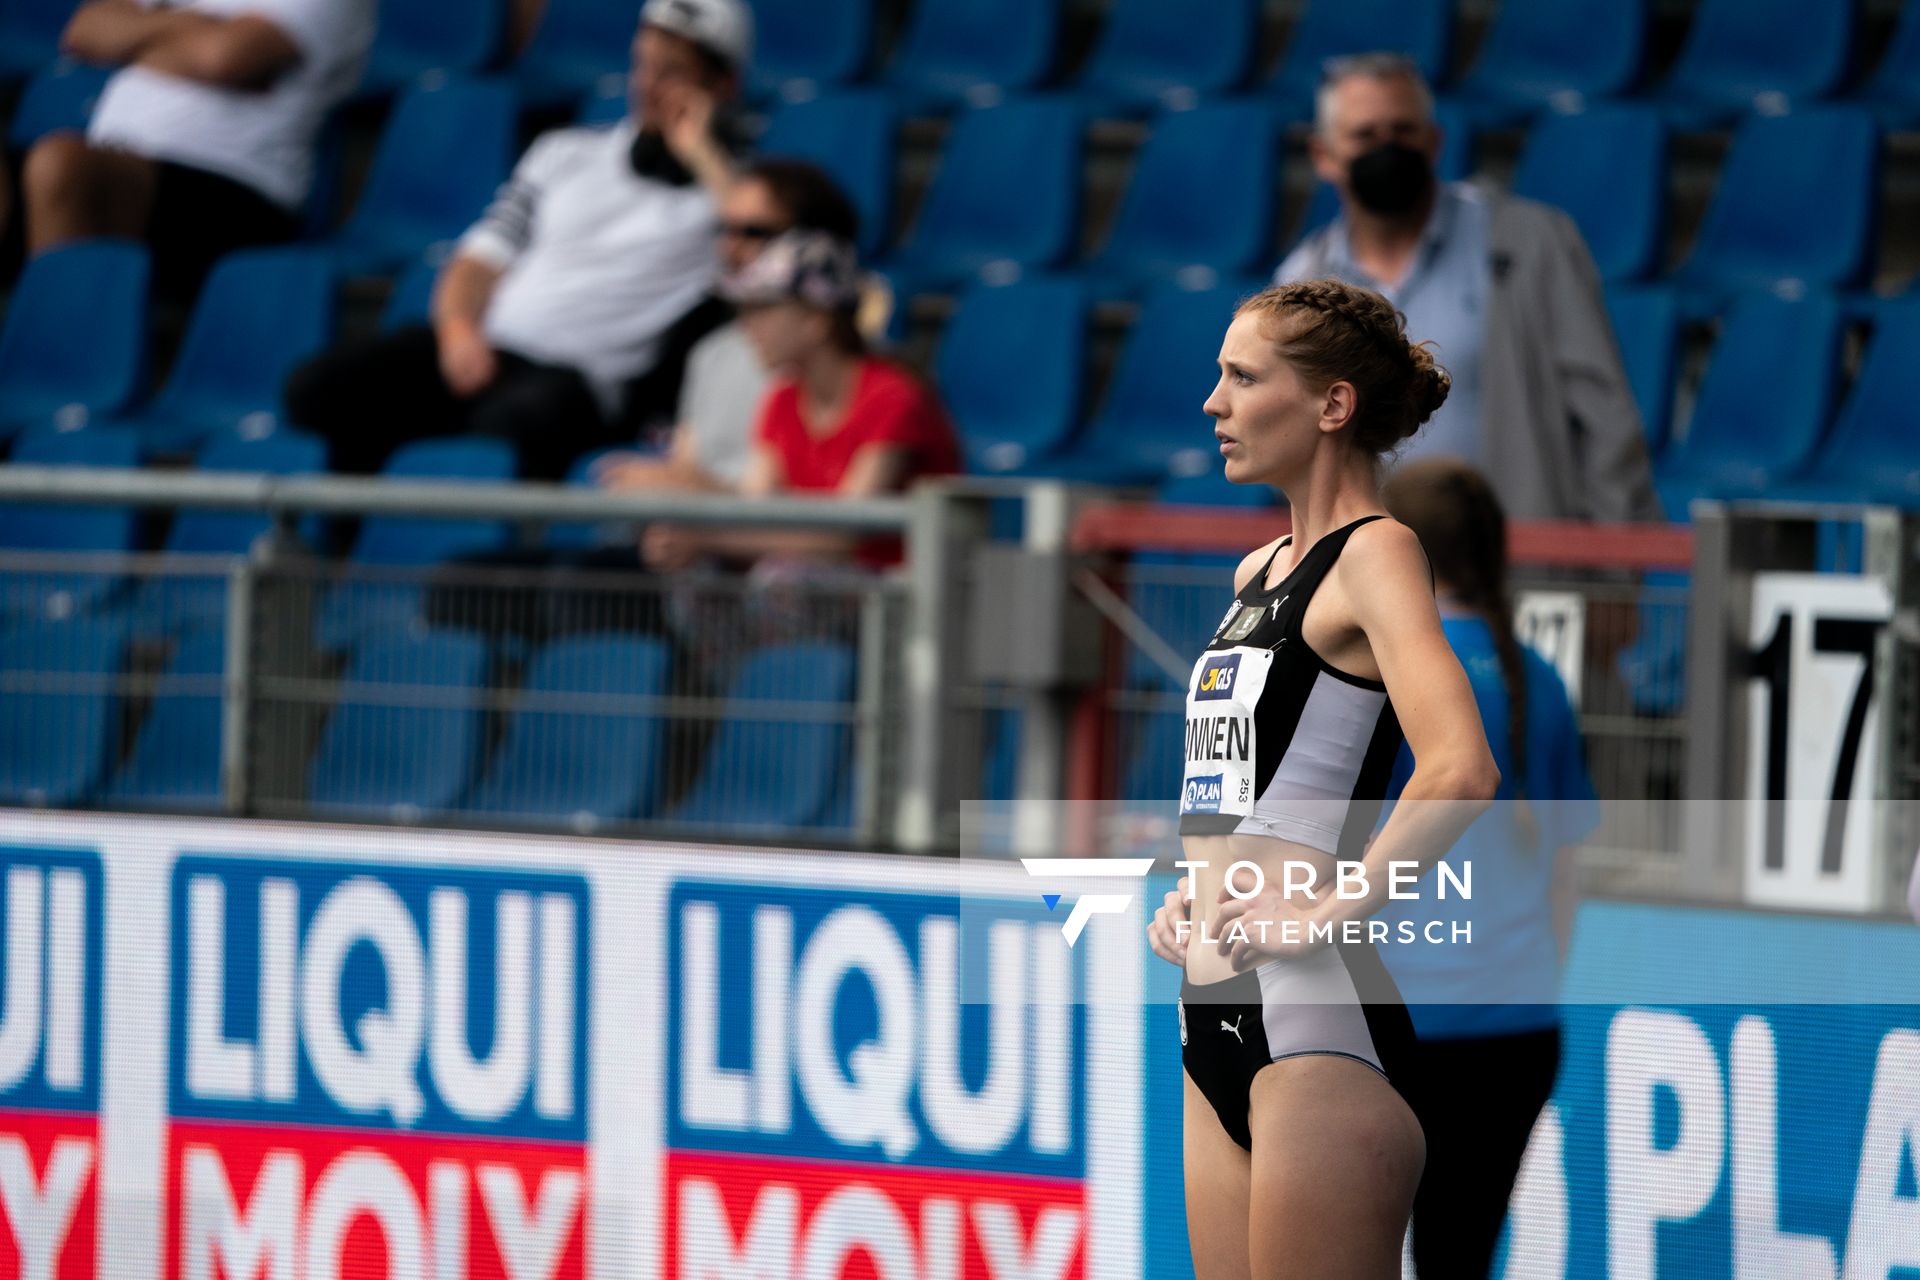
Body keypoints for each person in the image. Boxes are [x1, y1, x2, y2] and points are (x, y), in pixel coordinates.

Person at [1145, 279, 1500, 1279]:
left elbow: (1462, 765)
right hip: (1209, 1006)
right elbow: (1240, 790)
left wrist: (1332, 908)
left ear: (1332, 405)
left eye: (1243, 376)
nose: (1213, 401)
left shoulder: (1378, 554)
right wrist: (1190, 895)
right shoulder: (1254, 572)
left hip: (1317, 1023)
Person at [283, 0, 753, 481]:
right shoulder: (564, 152)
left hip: (580, 384)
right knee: (319, 388)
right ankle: (348, 542)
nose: (647, 86)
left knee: (509, 425)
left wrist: (703, 158)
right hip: (487, 348)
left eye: (671, 73)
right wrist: (458, 331)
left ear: (721, 86)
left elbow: (761, 255)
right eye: (643, 64)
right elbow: (479, 260)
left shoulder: (734, 197)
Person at [1375, 457, 1600, 1278]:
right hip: (1516, 1031)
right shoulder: (1537, 681)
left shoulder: (1384, 680)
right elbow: (1566, 876)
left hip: (1392, 1027)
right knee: (1460, 1257)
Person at [1276, 53, 1661, 528]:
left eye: (1402, 131)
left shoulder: (1526, 244)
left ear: (1434, 142)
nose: (1387, 148)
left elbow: (1605, 416)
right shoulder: (1302, 283)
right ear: (1324, 156)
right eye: (1365, 136)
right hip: (1367, 578)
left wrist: (1616, 563)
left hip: (1515, 569)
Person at [640, 228, 959, 575]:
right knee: (699, 572)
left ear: (816, 322)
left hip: (896, 600)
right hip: (828, 591)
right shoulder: (783, 398)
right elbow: (753, 511)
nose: (746, 327)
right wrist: (684, 520)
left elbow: (842, 537)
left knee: (783, 580)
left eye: (763, 308)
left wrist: (709, 538)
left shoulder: (893, 396)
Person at [13, 0, 374, 298]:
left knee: (63, 165)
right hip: (117, 166)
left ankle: (57, 355)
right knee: (58, 167)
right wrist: (193, 30)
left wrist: (142, 37)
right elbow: (84, 30)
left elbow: (224, 59)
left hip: (234, 190)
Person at [593, 157, 862, 497]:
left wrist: (691, 492)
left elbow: (821, 520)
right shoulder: (712, 353)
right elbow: (687, 466)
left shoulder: (848, 371)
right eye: (723, 229)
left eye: (752, 232)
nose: (729, 247)